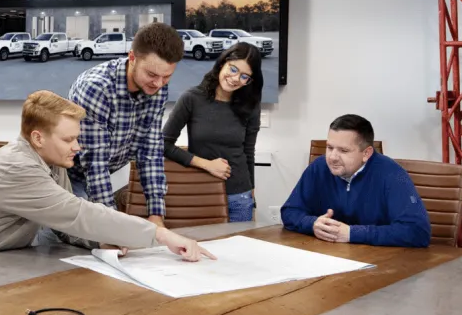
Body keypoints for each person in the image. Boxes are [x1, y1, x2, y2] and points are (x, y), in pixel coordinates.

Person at [0, 91, 214, 263]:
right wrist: (160, 234)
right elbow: (77, 213)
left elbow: (63, 225)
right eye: (68, 139)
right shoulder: (16, 166)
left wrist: (98, 243)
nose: (77, 146)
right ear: (37, 137)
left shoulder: (51, 161)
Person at [67, 22, 184, 225]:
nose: (159, 84)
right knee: (81, 236)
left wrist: (156, 214)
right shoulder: (97, 87)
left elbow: (150, 149)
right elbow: (95, 164)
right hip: (70, 177)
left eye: (167, 77)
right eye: (152, 75)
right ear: (132, 58)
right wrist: (113, 226)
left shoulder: (157, 87)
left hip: (107, 175)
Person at [281, 114, 430, 247]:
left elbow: (417, 231)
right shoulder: (319, 167)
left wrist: (352, 233)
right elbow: (290, 211)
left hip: (380, 263)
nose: (332, 157)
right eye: (329, 147)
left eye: (343, 150)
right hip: (330, 258)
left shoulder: (393, 174)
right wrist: (312, 224)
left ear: (366, 153)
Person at [163, 43, 262, 223]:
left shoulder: (250, 105)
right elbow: (163, 144)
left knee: (238, 250)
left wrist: (251, 197)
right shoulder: (191, 98)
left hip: (239, 196)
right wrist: (206, 164)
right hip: (201, 192)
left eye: (244, 76)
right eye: (233, 69)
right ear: (223, 62)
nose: (235, 78)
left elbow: (249, 153)